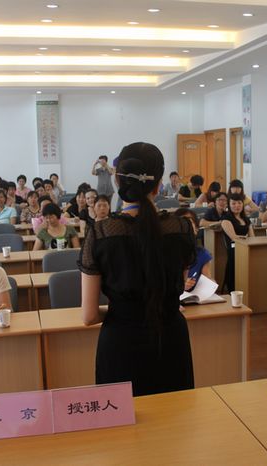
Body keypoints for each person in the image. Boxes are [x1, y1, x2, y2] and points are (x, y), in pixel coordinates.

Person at [79, 141, 196, 396]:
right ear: (159, 184)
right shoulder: (182, 228)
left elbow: (88, 316)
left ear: (118, 181)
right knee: (176, 416)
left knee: (121, 418)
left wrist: (122, 311)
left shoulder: (100, 233)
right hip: (171, 341)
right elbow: (178, 288)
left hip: (121, 343)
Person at [221, 193, 254, 292]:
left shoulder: (246, 220)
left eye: (239, 203)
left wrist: (246, 239)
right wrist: (245, 238)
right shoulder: (226, 219)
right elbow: (234, 238)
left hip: (246, 246)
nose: (237, 206)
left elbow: (252, 237)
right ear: (229, 205)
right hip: (234, 249)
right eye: (233, 203)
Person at [175, 208, 212, 292]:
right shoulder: (166, 253)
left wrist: (211, 284)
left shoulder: (202, 254)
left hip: (193, 297)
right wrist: (180, 286)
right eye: (182, 222)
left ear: (197, 229)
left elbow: (207, 280)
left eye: (189, 222)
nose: (186, 226)